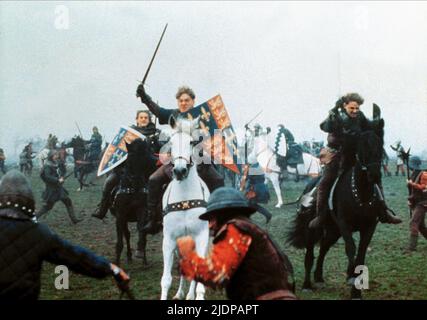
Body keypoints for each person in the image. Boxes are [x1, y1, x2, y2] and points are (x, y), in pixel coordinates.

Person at [0, 170, 131, 300]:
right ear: (29, 200)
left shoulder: (39, 233)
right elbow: (76, 257)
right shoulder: (38, 233)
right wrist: (110, 268)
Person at [176, 187, 296, 300]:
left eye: (211, 218)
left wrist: (188, 256)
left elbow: (216, 274)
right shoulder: (247, 226)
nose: (210, 225)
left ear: (222, 214)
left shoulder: (236, 228)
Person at [136, 84, 224, 234]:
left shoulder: (203, 117)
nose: (183, 103)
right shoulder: (172, 115)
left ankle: (218, 219)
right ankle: (153, 220)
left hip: (200, 161)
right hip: (175, 161)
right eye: (181, 100)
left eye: (187, 100)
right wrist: (144, 97)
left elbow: (214, 138)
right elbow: (156, 110)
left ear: (193, 101)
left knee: (218, 180)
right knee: (153, 180)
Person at [309, 93, 401, 229]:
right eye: (352, 108)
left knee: (375, 178)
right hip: (335, 155)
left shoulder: (360, 116)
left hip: (352, 154)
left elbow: (368, 127)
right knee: (325, 181)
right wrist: (332, 115)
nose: (355, 111)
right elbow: (325, 127)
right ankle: (320, 216)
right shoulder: (336, 116)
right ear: (345, 105)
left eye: (357, 108)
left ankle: (384, 211)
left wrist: (376, 121)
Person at [92, 110, 162, 220]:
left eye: (146, 117)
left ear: (149, 119)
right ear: (137, 119)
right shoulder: (128, 133)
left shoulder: (157, 133)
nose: (143, 119)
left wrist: (156, 142)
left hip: (147, 169)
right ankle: (102, 209)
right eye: (141, 117)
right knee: (108, 182)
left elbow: (160, 151)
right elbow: (118, 151)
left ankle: (158, 211)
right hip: (127, 168)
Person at [36, 150, 82, 224]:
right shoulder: (47, 165)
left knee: (67, 201)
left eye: (57, 155)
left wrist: (63, 173)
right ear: (51, 156)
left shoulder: (56, 163)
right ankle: (34, 218)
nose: (56, 156)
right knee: (48, 206)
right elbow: (47, 176)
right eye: (55, 155)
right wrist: (57, 180)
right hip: (52, 189)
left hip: (58, 188)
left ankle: (74, 219)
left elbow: (61, 171)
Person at [406, 156, 427, 251]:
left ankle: (412, 247)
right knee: (421, 226)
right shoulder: (413, 174)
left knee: (413, 223)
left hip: (423, 202)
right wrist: (410, 199)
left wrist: (411, 184)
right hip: (416, 202)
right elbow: (412, 191)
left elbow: (423, 187)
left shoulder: (424, 174)